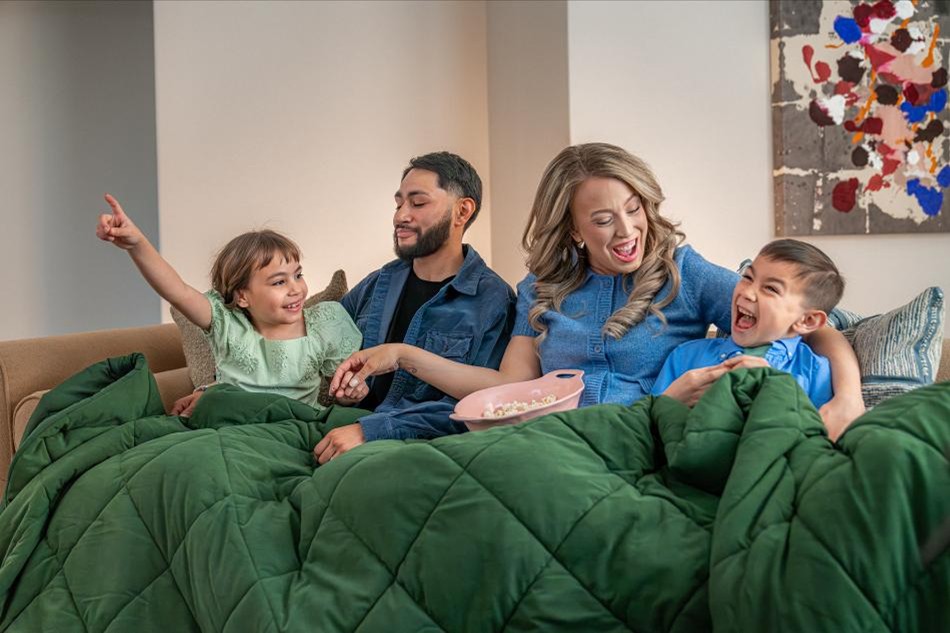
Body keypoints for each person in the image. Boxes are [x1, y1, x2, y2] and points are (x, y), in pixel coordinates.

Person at [331, 143, 865, 440]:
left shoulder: (685, 272)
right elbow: (504, 385)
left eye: (634, 210)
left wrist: (848, 399)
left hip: (638, 439)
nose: (628, 232)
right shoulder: (540, 289)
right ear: (573, 229)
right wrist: (403, 355)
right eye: (605, 220)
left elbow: (816, 327)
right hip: (548, 440)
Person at [312, 151, 516, 463]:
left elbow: (479, 407)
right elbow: (315, 343)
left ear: (462, 211)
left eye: (417, 203)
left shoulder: (492, 301)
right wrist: (347, 391)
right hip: (337, 429)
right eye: (398, 204)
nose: (400, 216)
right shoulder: (378, 283)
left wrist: (371, 431)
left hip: (412, 449)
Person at [96, 194, 361, 409]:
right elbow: (178, 292)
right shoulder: (228, 327)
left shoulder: (324, 324)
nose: (296, 289)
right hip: (234, 428)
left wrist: (350, 394)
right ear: (242, 296)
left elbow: (344, 390)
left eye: (298, 275)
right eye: (279, 282)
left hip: (296, 430)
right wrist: (137, 244)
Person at [653, 239, 845, 410]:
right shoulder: (685, 356)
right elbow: (645, 428)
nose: (747, 292)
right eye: (747, 277)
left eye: (770, 288)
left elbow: (817, 437)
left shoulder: (815, 371)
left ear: (807, 321)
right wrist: (670, 401)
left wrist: (773, 390)